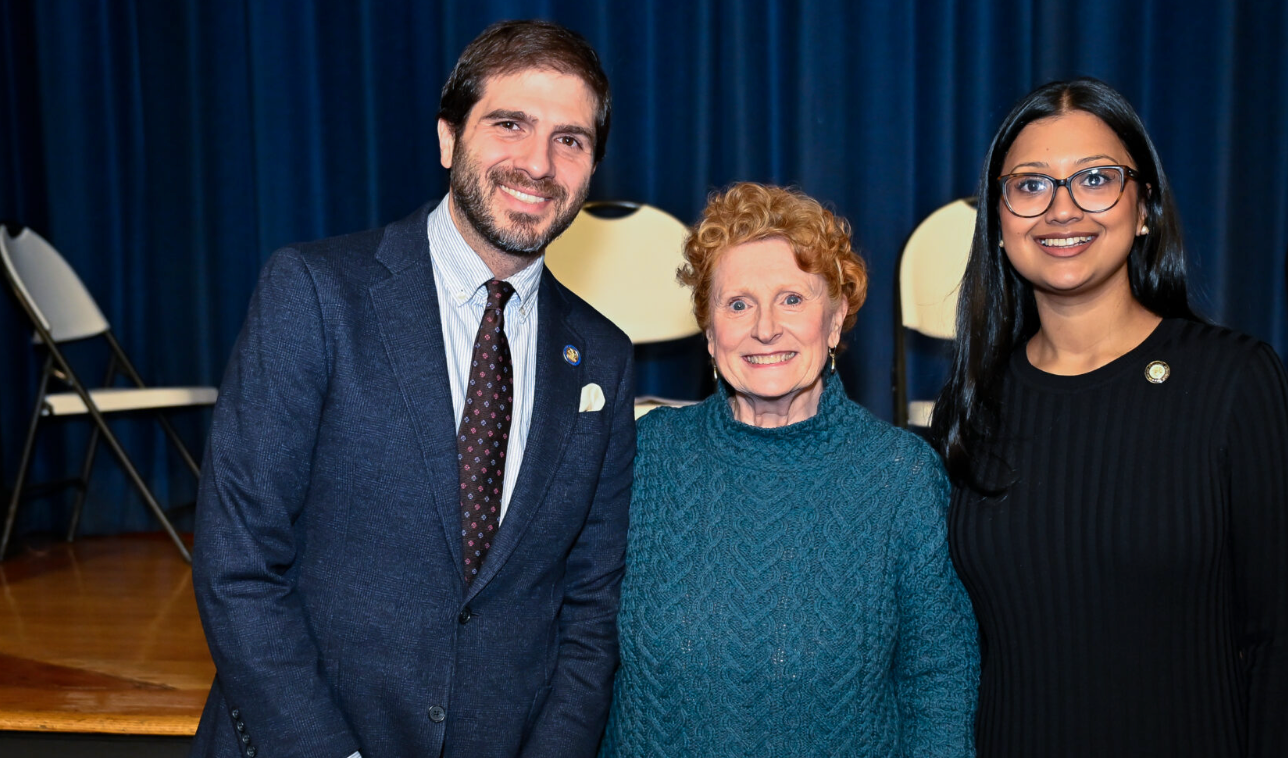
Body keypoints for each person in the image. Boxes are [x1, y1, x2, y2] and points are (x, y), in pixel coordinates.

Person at [190, 20, 634, 758]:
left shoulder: (603, 360)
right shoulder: (316, 293)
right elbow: (238, 565)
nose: (538, 163)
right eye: (509, 124)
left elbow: (591, 612)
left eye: (571, 140)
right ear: (446, 139)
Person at [931, 78, 1288, 757]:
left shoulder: (1234, 382)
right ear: (997, 221)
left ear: (1144, 209)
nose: (1061, 208)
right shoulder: (972, 401)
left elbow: (1279, 647)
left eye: (1096, 179)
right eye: (1029, 186)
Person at [599, 182, 978, 758]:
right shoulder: (643, 458)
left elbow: (940, 683)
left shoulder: (900, 478)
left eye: (793, 299)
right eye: (738, 303)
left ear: (834, 321)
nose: (766, 328)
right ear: (709, 331)